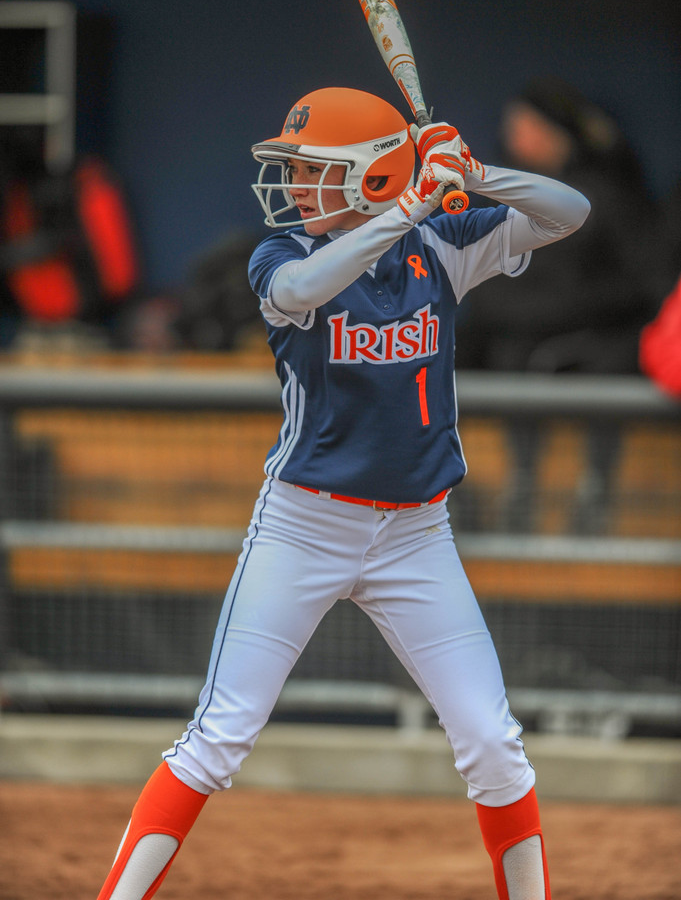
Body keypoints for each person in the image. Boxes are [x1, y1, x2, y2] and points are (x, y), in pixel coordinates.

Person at [94, 86, 590, 900]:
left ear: (372, 176)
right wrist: (402, 210)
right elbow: (300, 294)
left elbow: (567, 209)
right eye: (293, 169)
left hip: (416, 537)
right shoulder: (279, 256)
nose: (293, 185)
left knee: (493, 746)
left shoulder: (441, 245)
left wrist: (471, 172)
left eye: (314, 170)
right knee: (218, 739)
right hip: (302, 529)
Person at [455, 76, 659, 534]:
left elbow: (640, 288)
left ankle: (594, 494)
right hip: (512, 348)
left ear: (560, 134)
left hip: (591, 347)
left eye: (531, 126)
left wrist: (562, 312)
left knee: (610, 366)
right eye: (515, 126)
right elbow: (479, 291)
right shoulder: (493, 196)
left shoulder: (604, 198)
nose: (519, 136)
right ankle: (478, 492)